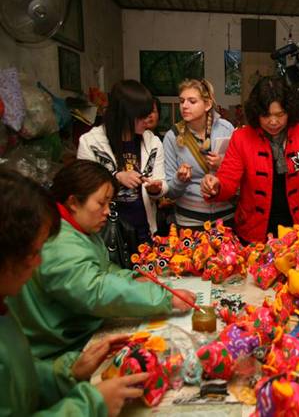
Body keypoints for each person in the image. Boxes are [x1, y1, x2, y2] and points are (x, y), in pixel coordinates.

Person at [6, 160, 196, 360]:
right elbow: (96, 289)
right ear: (73, 202)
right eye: (101, 203)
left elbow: (103, 270)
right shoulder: (58, 240)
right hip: (61, 352)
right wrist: (164, 298)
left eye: (109, 203)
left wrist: (132, 278)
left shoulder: (79, 228)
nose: (107, 211)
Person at [0, 167, 149, 416]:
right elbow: (96, 290)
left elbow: (21, 381)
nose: (39, 263)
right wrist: (91, 405)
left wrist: (67, 372)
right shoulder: (61, 245)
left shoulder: (4, 310)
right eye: (34, 252)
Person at [200, 77, 299, 244]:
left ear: (289, 111)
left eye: (280, 115)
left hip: (298, 231)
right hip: (253, 232)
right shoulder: (241, 137)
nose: (273, 122)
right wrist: (216, 185)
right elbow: (228, 177)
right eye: (266, 115)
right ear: (256, 113)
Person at [78, 80, 167, 245]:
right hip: (106, 235)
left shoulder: (153, 142)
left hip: (144, 231)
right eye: (141, 116)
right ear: (126, 115)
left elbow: (162, 182)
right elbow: (83, 186)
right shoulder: (91, 142)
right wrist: (116, 177)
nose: (147, 121)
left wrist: (156, 189)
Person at [164, 78, 235, 228]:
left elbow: (239, 174)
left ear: (207, 104)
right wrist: (179, 180)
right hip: (189, 221)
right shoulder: (172, 136)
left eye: (192, 101)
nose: (184, 106)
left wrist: (222, 165)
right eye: (182, 101)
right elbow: (170, 192)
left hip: (225, 219)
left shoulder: (226, 129)